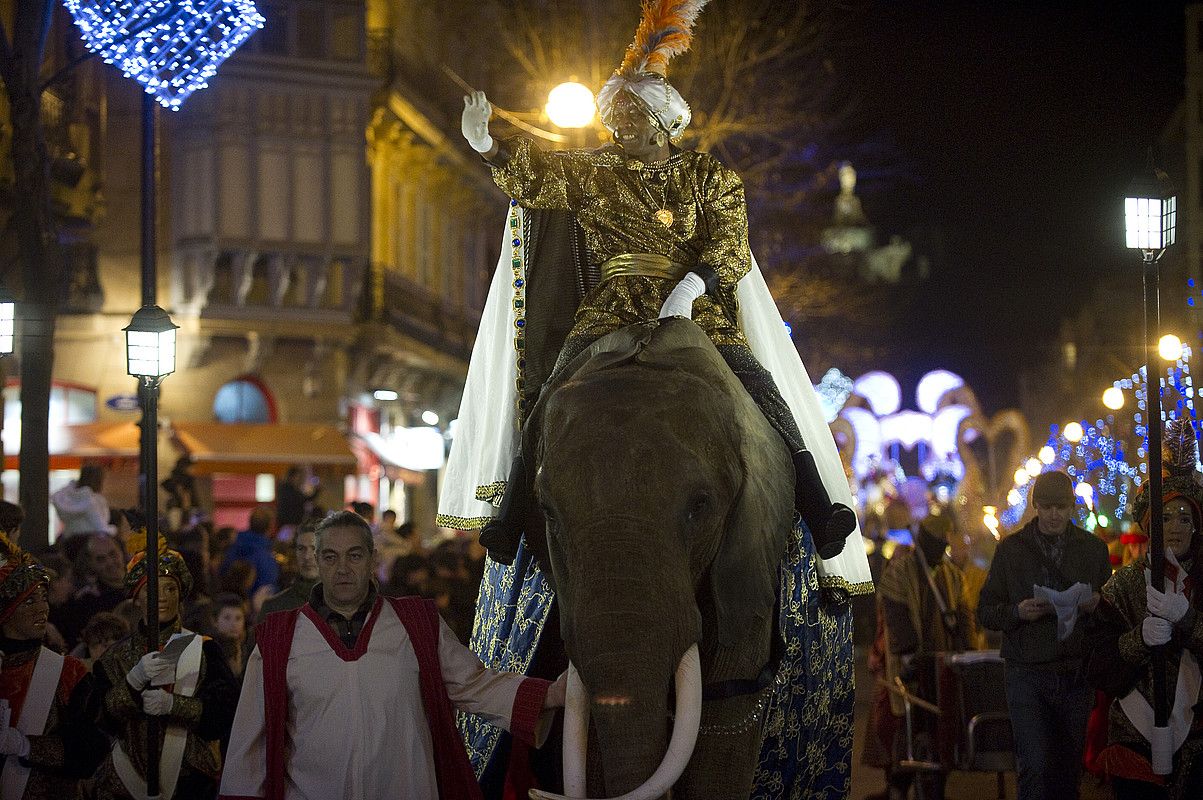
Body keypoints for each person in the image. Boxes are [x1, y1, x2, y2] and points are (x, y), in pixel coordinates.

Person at [451, 9, 861, 566]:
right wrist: (487, 147)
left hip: (693, 308)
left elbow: (731, 246)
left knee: (759, 387)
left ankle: (817, 505)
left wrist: (691, 289)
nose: (617, 123)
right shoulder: (593, 171)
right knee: (551, 389)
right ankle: (515, 512)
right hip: (612, 310)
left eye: (630, 113)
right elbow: (537, 180)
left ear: (663, 121)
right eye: (614, 114)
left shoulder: (710, 178)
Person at [218, 510, 565, 800]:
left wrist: (549, 694)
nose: (342, 568)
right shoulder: (280, 639)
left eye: (354, 555)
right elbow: (250, 741)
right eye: (330, 556)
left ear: (372, 561)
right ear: (317, 564)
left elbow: (473, 685)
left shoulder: (416, 624)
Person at [977, 470, 1113, 800]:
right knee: (1033, 766)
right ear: (1035, 506)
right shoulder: (1012, 550)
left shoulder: (1092, 550)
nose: (1054, 515)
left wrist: (1096, 605)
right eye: (1048, 507)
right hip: (1027, 672)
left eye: (1061, 507)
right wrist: (1017, 612)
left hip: (1074, 673)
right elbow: (985, 611)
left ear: (1071, 508)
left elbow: (1112, 614)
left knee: (1067, 770)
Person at [1086, 420, 1203, 799]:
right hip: (1136, 741)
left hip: (1200, 743)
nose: (1175, 528)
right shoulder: (1122, 587)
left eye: (1185, 518)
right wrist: (1138, 640)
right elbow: (1097, 663)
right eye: (1165, 518)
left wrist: (1187, 620)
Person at [92, 531, 240, 800]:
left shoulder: (205, 649)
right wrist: (133, 682)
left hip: (190, 782)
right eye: (152, 589)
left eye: (170, 588)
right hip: (128, 781)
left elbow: (224, 712)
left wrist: (175, 705)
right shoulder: (114, 658)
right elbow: (102, 719)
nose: (163, 597)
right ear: (136, 598)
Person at [876, 511, 976, 800]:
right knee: (910, 726)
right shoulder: (899, 573)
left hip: (946, 667)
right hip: (913, 668)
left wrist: (967, 653)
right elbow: (896, 617)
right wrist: (910, 655)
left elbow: (965, 617)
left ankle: (936, 786)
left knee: (944, 729)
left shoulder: (953, 576)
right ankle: (898, 787)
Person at [0, 531, 107, 799]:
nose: (41, 609)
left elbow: (92, 750)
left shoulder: (69, 673)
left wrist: (26, 746)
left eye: (43, 598)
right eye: (28, 601)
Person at [59, 533, 127, 648]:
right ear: (91, 564)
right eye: (101, 559)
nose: (110, 562)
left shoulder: (142, 585)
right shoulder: (87, 602)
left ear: (121, 552)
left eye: (113, 554)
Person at [257, 524, 320, 621]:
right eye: (301, 549)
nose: (307, 556)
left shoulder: (346, 605)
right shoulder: (274, 607)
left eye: (314, 548)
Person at [220, 507, 280, 596]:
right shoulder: (265, 557)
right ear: (270, 527)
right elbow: (268, 589)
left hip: (230, 603)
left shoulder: (232, 548)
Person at [50, 464, 112, 540]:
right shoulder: (94, 501)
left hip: (69, 541)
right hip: (88, 544)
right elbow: (100, 527)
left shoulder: (65, 497)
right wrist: (113, 531)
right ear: (98, 481)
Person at [276, 468, 318, 533]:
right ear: (292, 477)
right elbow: (303, 499)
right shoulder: (287, 489)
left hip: (290, 523)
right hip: (289, 524)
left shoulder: (290, 489)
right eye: (298, 477)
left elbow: (304, 499)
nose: (300, 480)